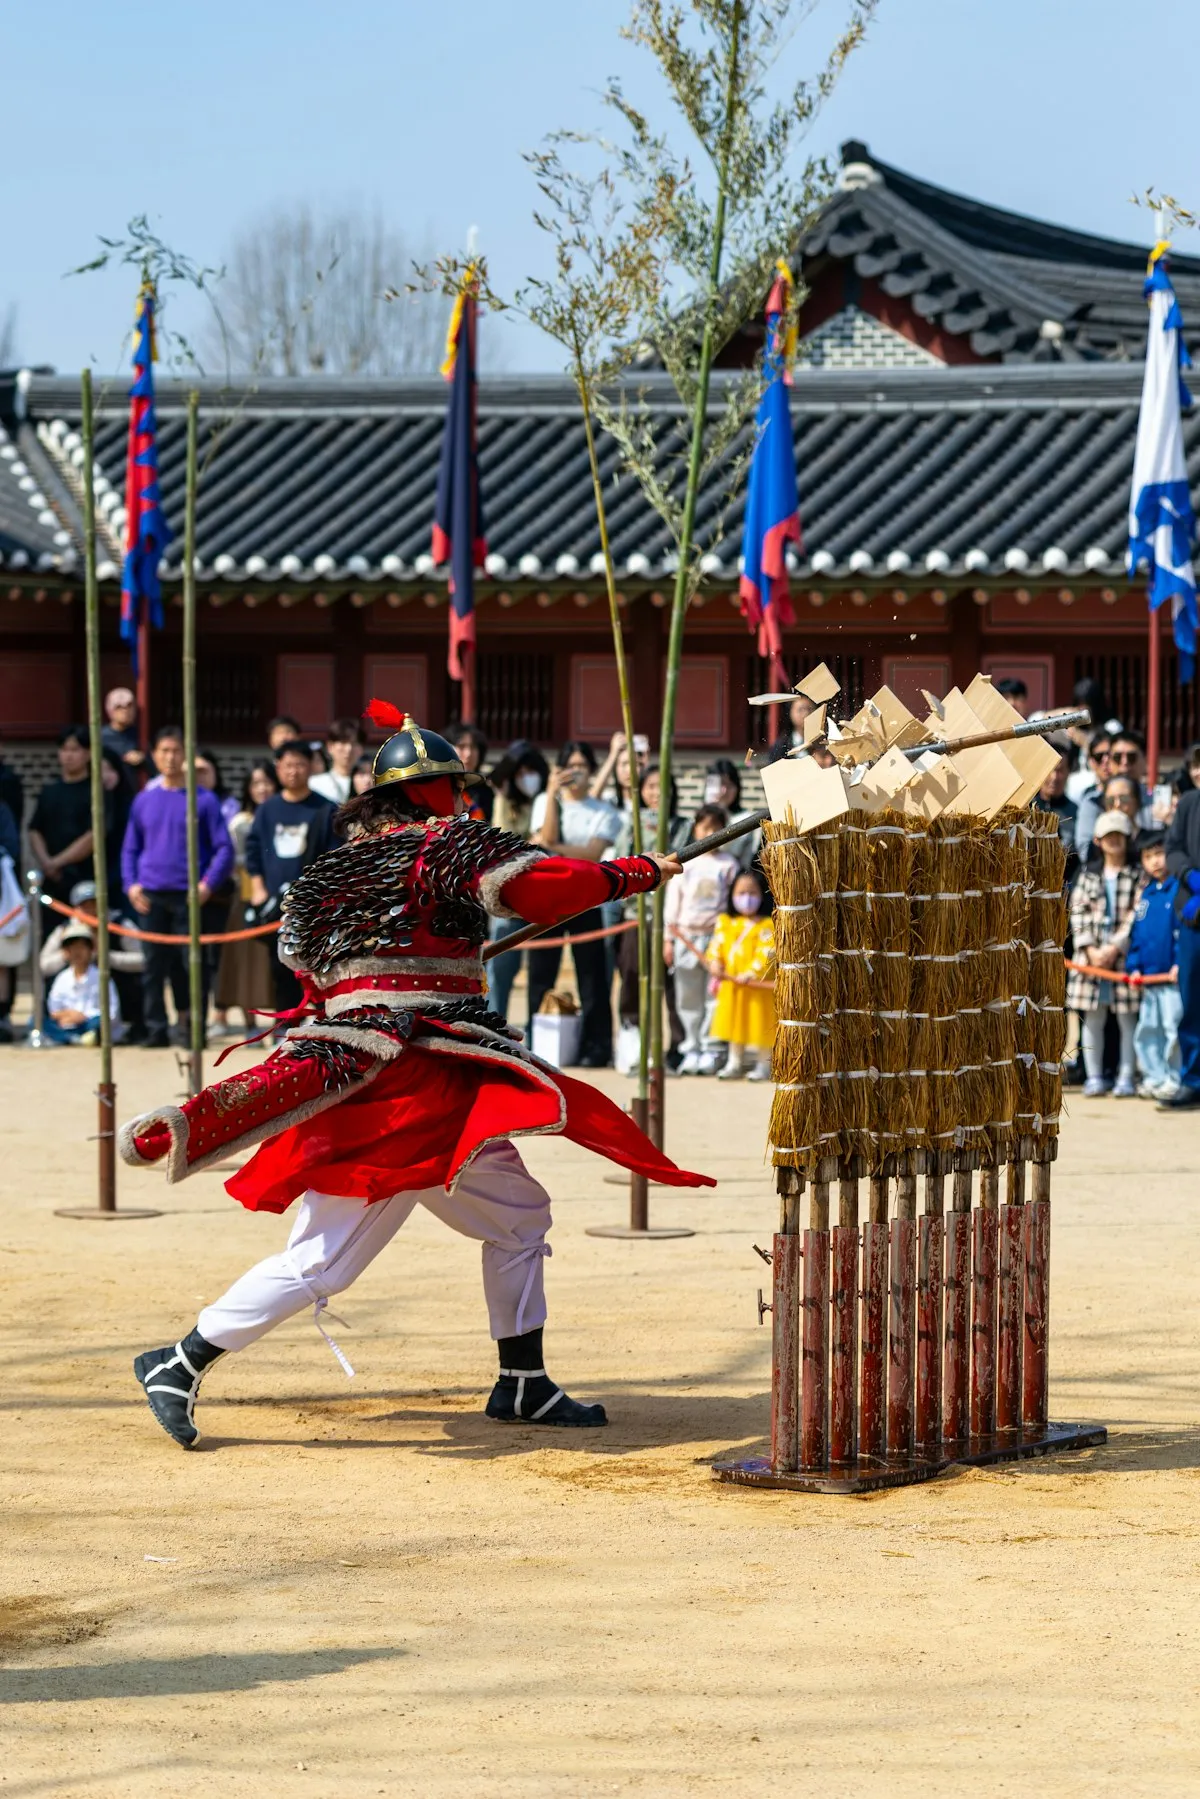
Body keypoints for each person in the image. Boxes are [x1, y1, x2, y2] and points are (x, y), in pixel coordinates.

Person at [120, 706, 709, 1450]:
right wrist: (636, 872)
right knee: (323, 1261)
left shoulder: (324, 872)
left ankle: (521, 1378)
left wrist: (420, 964)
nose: (463, 800)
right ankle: (181, 1358)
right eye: (455, 788)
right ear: (433, 792)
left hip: (383, 1064)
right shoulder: (448, 844)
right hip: (403, 1081)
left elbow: (306, 965)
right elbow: (541, 887)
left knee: (520, 1215)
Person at [121, 726, 235, 1049]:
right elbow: (130, 847)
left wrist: (208, 884)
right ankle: (157, 1027)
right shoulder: (144, 800)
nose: (170, 757)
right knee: (153, 966)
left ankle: (194, 1028)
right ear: (154, 756)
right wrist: (131, 885)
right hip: (152, 894)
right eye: (164, 751)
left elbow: (224, 848)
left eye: (176, 751)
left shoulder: (205, 799)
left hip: (190, 895)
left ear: (186, 756)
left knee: (192, 966)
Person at [528, 741, 621, 1067]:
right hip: (548, 897)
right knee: (540, 974)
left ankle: (596, 1047)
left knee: (592, 978)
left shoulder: (605, 811)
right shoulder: (544, 801)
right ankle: (534, 1043)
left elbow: (593, 854)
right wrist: (553, 795)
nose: (577, 772)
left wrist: (556, 848)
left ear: (592, 770)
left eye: (583, 766)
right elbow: (546, 835)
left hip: (587, 899)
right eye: (571, 765)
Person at [245, 739, 337, 1020]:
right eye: (288, 765)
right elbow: (253, 851)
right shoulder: (267, 810)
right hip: (276, 905)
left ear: (311, 767)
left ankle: (322, 1019)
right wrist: (258, 888)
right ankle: (287, 1020)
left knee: (319, 963)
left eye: (300, 764)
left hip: (315, 904)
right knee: (280, 964)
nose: (294, 771)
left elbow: (335, 856)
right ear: (278, 768)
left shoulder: (327, 809)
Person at [1067, 810, 1141, 1098]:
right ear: (1098, 840)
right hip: (1091, 958)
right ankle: (1094, 1075)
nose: (1113, 841)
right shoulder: (1088, 875)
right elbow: (1077, 910)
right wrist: (1089, 948)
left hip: (1122, 956)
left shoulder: (1136, 875)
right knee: (1092, 1018)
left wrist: (1115, 946)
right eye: (1108, 836)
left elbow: (1137, 912)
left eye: (1118, 836)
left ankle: (1126, 1074)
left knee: (1127, 1019)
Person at [663, 806, 739, 1074]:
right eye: (705, 828)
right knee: (687, 996)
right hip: (686, 936)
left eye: (716, 828)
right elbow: (672, 904)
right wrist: (668, 939)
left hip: (716, 937)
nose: (710, 834)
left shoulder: (729, 864)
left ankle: (711, 1048)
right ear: (696, 829)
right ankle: (691, 1048)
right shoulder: (686, 863)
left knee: (713, 995)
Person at [484, 741, 550, 1022]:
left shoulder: (547, 802)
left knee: (541, 970)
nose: (527, 778)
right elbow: (500, 844)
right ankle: (494, 1022)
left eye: (531, 771)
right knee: (501, 970)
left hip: (541, 897)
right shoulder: (503, 802)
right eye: (520, 772)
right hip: (507, 897)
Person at [214, 759, 280, 1031]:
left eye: (266, 782)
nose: (262, 788)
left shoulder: (281, 814)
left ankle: (281, 1020)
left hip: (278, 894)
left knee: (276, 963)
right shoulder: (240, 822)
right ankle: (249, 1020)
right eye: (256, 783)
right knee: (243, 961)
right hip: (246, 893)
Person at [1126, 830, 1181, 1100]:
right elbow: (1138, 935)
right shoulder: (1146, 895)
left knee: (1173, 1029)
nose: (1156, 861)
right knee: (1148, 1030)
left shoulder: (1180, 890)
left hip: (1172, 980)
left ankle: (1175, 1078)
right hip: (1149, 980)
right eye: (1149, 856)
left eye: (1160, 854)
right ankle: (1154, 1076)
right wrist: (1133, 966)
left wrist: (1180, 963)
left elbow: (1185, 934)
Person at [707, 867, 776, 1080]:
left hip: (757, 986)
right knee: (734, 1024)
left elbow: (768, 953)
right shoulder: (726, 923)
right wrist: (714, 963)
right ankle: (734, 1062)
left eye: (752, 893)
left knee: (761, 1025)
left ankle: (764, 1065)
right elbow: (716, 947)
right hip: (732, 985)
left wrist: (752, 973)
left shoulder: (768, 924)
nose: (746, 898)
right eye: (741, 893)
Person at [1162, 776, 1200, 1108]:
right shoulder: (1189, 803)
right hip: (1194, 919)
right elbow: (1172, 850)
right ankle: (1192, 1079)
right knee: (1193, 1001)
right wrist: (1189, 876)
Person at [29, 726, 95, 905]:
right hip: (52, 878)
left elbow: (93, 835)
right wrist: (46, 862)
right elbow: (34, 830)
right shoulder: (49, 791)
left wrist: (57, 862)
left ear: (88, 753)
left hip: (85, 877)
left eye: (74, 749)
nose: (68, 755)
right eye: (64, 749)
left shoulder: (96, 791)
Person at [44, 920, 122, 1046]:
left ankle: (72, 1038)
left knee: (99, 1024)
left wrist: (83, 1016)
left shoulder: (102, 977)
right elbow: (54, 1010)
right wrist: (70, 1015)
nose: (77, 952)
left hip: (91, 1022)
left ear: (91, 950)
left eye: (81, 947)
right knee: (37, 1022)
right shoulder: (62, 978)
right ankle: (75, 1038)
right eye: (72, 948)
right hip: (69, 1023)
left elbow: (112, 1012)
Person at [1077, 730, 1152, 861]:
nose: (1124, 763)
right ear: (1109, 761)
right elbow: (1084, 853)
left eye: (1131, 757)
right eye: (1117, 757)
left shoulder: (1155, 800)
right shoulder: (1093, 801)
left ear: (1144, 760)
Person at [1032, 737, 1078, 880]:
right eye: (1050, 770)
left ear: (1069, 771)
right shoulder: (1026, 809)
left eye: (1060, 770)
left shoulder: (1075, 812)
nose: (1054, 777)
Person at [702, 760, 761, 869]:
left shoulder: (748, 820)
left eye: (729, 785)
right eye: (719, 785)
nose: (724, 791)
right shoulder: (697, 821)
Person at [309, 718, 366, 807]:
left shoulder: (370, 783)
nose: (348, 749)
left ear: (362, 749)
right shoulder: (314, 784)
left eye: (354, 743)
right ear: (330, 746)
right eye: (343, 743)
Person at [590, 730, 649, 811]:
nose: (629, 770)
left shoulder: (649, 801)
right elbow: (592, 797)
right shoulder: (610, 800)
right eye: (624, 764)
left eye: (635, 764)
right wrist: (613, 754)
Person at [447, 724, 493, 822]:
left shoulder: (487, 791)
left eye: (473, 747)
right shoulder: (442, 789)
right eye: (461, 746)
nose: (468, 754)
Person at [101, 687, 146, 773]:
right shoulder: (101, 737)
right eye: (119, 707)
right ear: (110, 709)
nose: (125, 710)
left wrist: (141, 758)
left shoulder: (141, 734)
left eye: (129, 706)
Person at [1066, 728, 1111, 808]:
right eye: (1099, 757)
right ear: (1090, 761)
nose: (1106, 760)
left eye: (1110, 755)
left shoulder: (1130, 790)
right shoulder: (1086, 795)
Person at [767, 695, 815, 764]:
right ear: (790, 712)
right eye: (800, 710)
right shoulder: (782, 744)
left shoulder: (823, 741)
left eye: (810, 709)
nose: (806, 713)